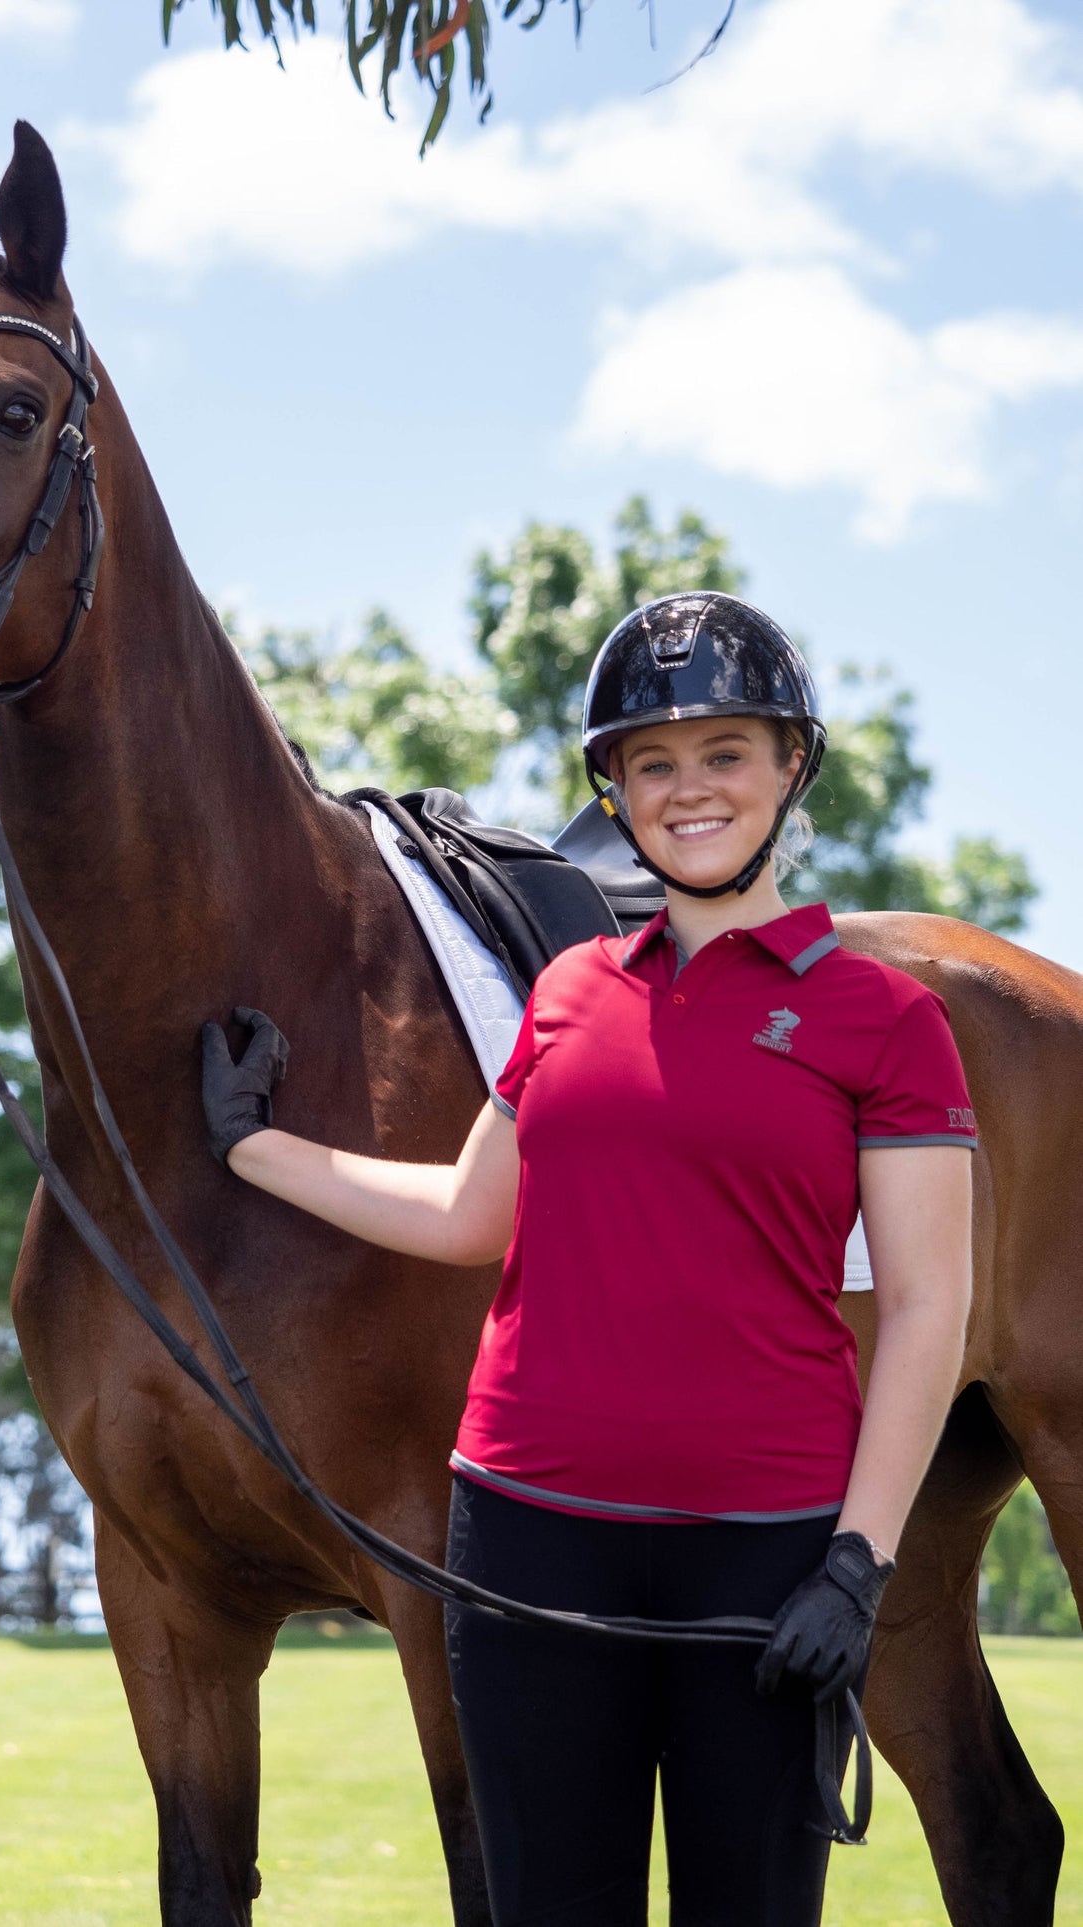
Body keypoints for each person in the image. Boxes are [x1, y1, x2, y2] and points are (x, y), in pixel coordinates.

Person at [199, 592, 975, 1927]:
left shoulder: (880, 1017)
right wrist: (249, 1147)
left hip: (764, 1560)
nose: (687, 792)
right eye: (650, 763)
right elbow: (465, 1215)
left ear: (790, 766)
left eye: (723, 753)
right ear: (610, 793)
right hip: (522, 1548)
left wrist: (859, 1559)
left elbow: (923, 1303)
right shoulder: (569, 992)